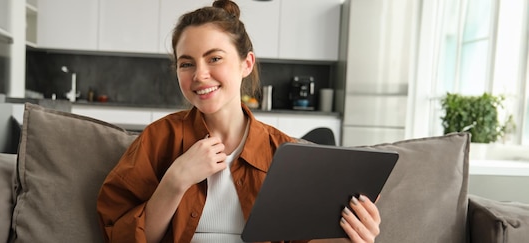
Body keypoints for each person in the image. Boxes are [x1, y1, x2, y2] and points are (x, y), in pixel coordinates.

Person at [96, 1, 381, 242]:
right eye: (186, 63)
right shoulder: (159, 139)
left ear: (246, 64)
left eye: (215, 58)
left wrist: (355, 234)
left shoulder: (286, 153)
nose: (199, 74)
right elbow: (122, 236)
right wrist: (175, 180)